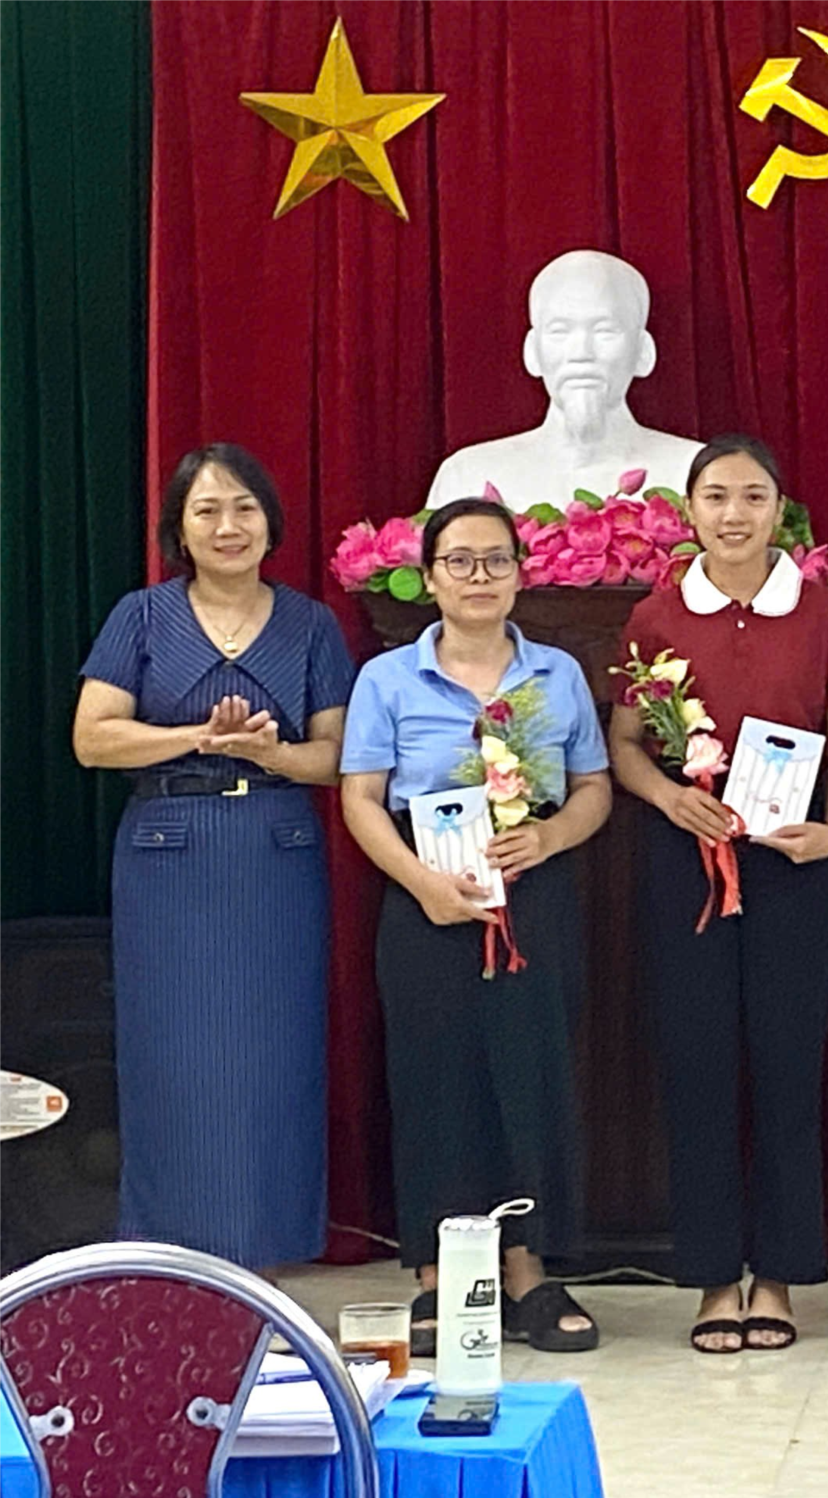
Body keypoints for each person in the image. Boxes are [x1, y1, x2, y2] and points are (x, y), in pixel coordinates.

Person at [340, 497, 612, 1354]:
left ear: (521, 575)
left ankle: (529, 1273)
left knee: (532, 1077)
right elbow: (361, 798)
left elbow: (594, 787)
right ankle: (440, 1277)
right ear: (429, 578)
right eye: (459, 561)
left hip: (533, 891)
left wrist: (552, 837)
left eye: (496, 560)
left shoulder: (557, 674)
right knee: (435, 1081)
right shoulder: (387, 679)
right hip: (426, 894)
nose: (479, 576)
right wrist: (422, 883)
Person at [610, 436, 828, 1354]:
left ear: (778, 511)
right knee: (699, 1065)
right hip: (690, 858)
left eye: (753, 496)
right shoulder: (657, 615)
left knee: (788, 1067)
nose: (733, 514)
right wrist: (668, 797)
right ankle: (715, 1277)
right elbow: (625, 742)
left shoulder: (824, 610)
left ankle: (780, 1276)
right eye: (715, 496)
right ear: (690, 510)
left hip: (792, 858)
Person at [73, 443, 353, 1268]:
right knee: (172, 1058)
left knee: (276, 1057)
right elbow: (93, 739)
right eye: (207, 511)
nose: (228, 526)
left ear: (270, 523)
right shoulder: (142, 617)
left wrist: (270, 754)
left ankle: (270, 1254)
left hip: (276, 852)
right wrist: (198, 736)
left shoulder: (311, 623)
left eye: (244, 508)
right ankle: (169, 1253)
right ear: (180, 529)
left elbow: (338, 758)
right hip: (168, 855)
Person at [425, 249, 702, 511]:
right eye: (559, 331)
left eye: (605, 330)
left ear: (643, 352)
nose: (581, 352)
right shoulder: (467, 475)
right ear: (532, 352)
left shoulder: (695, 471)